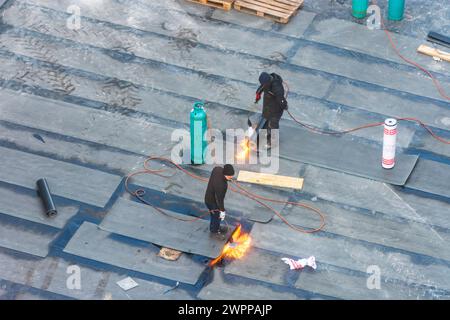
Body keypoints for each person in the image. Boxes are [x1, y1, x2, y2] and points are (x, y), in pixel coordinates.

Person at [255, 72, 288, 148]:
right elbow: (261, 88)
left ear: (269, 81)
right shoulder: (266, 82)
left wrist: (284, 106)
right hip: (267, 105)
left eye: (265, 84)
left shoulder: (277, 87)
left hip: (276, 108)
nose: (264, 85)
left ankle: (273, 142)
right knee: (265, 119)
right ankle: (266, 133)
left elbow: (281, 99)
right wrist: (258, 94)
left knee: (273, 123)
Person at [204, 164, 235, 239]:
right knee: (216, 216)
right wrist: (222, 211)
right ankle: (214, 231)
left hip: (208, 196)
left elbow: (216, 169)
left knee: (215, 215)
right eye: (230, 176)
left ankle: (215, 227)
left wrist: (227, 178)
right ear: (225, 174)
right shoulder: (221, 185)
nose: (231, 177)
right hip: (212, 202)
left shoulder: (217, 169)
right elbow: (219, 200)